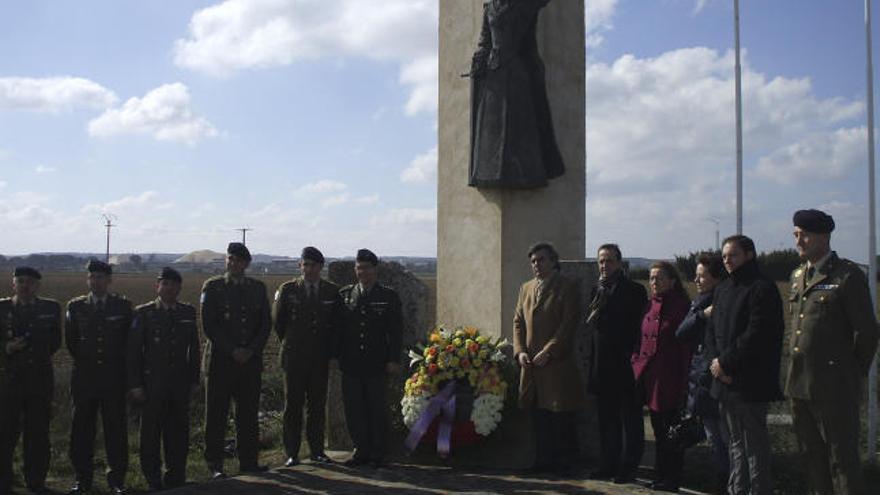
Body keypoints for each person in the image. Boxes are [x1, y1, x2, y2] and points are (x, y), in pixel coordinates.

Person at [785, 209, 879, 495]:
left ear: (823, 237)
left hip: (835, 386)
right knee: (812, 458)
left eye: (805, 235)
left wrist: (850, 373)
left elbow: (867, 332)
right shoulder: (799, 275)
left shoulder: (847, 276)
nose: (799, 241)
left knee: (842, 461)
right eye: (796, 235)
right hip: (800, 384)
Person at [706, 235, 784, 495]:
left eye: (733, 255)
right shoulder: (723, 288)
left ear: (749, 255)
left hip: (749, 382)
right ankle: (737, 490)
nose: (727, 260)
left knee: (755, 446)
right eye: (725, 256)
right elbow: (713, 333)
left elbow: (757, 334)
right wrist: (716, 365)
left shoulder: (762, 288)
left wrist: (726, 365)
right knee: (735, 444)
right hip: (724, 381)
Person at [466, 0, 565, 189]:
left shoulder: (526, 5)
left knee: (520, 127)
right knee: (491, 129)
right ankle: (488, 173)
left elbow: (529, 45)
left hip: (517, 72)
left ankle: (525, 173)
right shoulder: (489, 8)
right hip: (493, 75)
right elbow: (484, 42)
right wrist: (478, 60)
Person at [201, 242, 271, 478]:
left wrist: (250, 350)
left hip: (249, 362)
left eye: (239, 260)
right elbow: (209, 325)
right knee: (216, 415)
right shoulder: (213, 287)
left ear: (246, 263)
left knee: (248, 414)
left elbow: (265, 324)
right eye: (230, 259)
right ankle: (215, 465)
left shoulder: (257, 288)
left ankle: (248, 461)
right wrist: (233, 350)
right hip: (221, 361)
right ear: (226, 261)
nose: (234, 263)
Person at [513, 242, 583, 475]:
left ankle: (563, 464)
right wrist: (520, 350)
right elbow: (518, 323)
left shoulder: (567, 287)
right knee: (538, 416)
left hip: (556, 365)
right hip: (531, 364)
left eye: (541, 260)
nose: (536, 265)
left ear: (553, 261)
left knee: (559, 416)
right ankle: (541, 462)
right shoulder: (526, 288)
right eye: (533, 261)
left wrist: (550, 350)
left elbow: (568, 323)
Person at [127, 267, 200, 491]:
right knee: (150, 434)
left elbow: (194, 350)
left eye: (174, 285)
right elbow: (133, 353)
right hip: (152, 384)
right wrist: (136, 384)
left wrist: (194, 380)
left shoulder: (187, 313)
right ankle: (153, 478)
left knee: (177, 433)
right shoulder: (144, 313)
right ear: (157, 287)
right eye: (165, 284)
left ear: (179, 288)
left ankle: (176, 476)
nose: (169, 289)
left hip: (179, 384)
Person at [66, 260, 134, 495]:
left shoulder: (123, 307)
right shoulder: (75, 307)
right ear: (88, 280)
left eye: (100, 277)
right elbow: (72, 342)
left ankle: (116, 480)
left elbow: (128, 345)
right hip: (85, 380)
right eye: (92, 277)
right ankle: (82, 479)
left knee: (115, 430)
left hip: (113, 380)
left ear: (109, 280)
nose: (96, 281)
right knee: (82, 431)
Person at [273, 246, 342, 467]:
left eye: (313, 265)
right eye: (305, 265)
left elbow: (335, 327)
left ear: (321, 267)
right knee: (293, 406)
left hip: (319, 359)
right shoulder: (288, 290)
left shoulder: (332, 292)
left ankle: (317, 451)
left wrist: (331, 354)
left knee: (317, 406)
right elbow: (279, 323)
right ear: (300, 266)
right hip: (294, 358)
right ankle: (292, 452)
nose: (308, 269)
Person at [585, 243, 648, 483]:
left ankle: (629, 467)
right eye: (601, 261)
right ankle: (608, 464)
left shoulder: (634, 291)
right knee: (607, 420)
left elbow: (637, 330)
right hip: (602, 367)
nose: (604, 265)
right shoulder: (596, 290)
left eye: (609, 260)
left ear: (619, 263)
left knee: (630, 421)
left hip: (625, 367)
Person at [337, 249, 403, 468]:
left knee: (376, 408)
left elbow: (395, 331)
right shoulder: (346, 295)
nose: (362, 272)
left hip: (376, 363)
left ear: (375, 269)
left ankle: (378, 451)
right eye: (358, 267)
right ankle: (360, 449)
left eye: (366, 267)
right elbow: (338, 330)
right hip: (352, 363)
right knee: (354, 409)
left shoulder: (388, 296)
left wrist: (393, 359)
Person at [631, 261, 691, 492]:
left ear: (672, 281)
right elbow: (640, 339)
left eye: (659, 278)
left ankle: (672, 477)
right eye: (651, 277)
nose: (654, 282)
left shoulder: (681, 307)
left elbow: (685, 347)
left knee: (671, 432)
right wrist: (636, 363)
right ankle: (660, 475)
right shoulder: (648, 306)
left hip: (671, 379)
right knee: (657, 430)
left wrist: (685, 382)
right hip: (650, 378)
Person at [0, 267, 61, 494]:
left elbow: (55, 342)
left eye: (30, 282)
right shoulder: (3, 308)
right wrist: (7, 347)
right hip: (9, 382)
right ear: (13, 284)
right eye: (20, 281)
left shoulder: (50, 308)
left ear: (37, 285)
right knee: (5, 434)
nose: (25, 286)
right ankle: (4, 482)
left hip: (39, 381)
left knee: (37, 435)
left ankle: (36, 481)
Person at [674, 254, 728, 492]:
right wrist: (702, 315)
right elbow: (682, 332)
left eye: (701, 275)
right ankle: (721, 480)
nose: (696, 279)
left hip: (717, 378)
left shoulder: (724, 300)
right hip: (701, 379)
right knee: (714, 437)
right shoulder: (701, 302)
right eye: (695, 275)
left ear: (716, 277)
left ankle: (726, 483)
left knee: (723, 439)